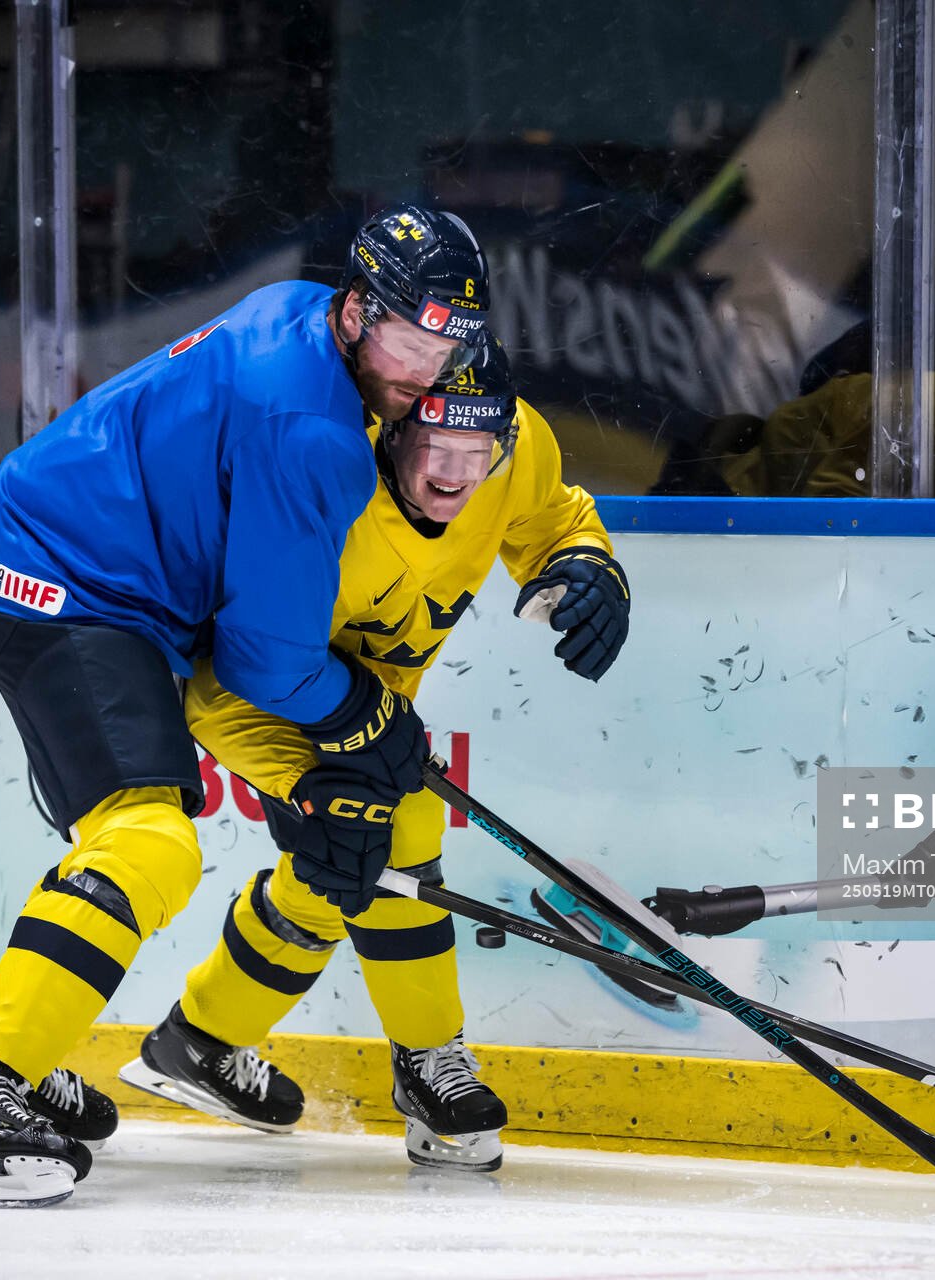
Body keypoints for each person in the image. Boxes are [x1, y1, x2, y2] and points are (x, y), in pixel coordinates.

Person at [0, 203, 495, 1209]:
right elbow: (268, 664)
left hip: (92, 574)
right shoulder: (316, 429)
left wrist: (329, 754)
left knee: (180, 826)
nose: (426, 367)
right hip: (67, 581)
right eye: (409, 335)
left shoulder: (304, 319)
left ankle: (30, 1052)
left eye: (449, 344)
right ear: (357, 311)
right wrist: (365, 720)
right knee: (148, 841)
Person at [33, 342, 627, 1175]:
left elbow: (552, 515)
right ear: (389, 435)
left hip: (363, 699)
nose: (457, 477)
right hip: (255, 691)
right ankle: (429, 1063)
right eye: (433, 451)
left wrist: (586, 563)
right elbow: (234, 665)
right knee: (390, 816)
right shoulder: (324, 491)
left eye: (476, 455)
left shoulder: (513, 446)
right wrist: (321, 764)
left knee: (348, 862)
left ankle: (202, 1040)